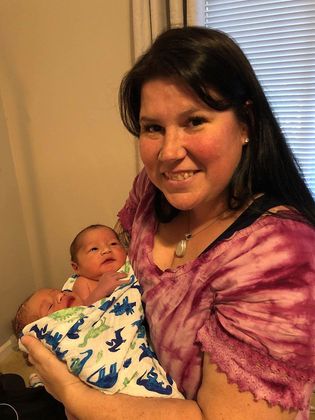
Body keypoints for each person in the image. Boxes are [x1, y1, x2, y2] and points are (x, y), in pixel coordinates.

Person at [21, 26, 315, 420]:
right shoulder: (152, 191)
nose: (169, 153)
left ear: (245, 123)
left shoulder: (281, 258)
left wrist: (71, 393)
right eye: (153, 128)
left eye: (195, 121)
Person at [15, 224, 183, 400]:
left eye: (113, 244)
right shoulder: (82, 282)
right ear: (76, 267)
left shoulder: (127, 266)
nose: (106, 251)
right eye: (94, 249)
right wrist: (101, 290)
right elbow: (85, 312)